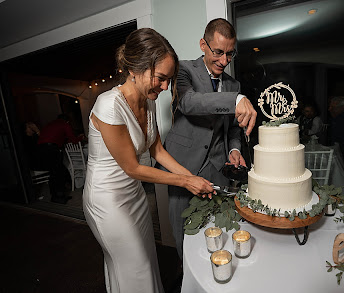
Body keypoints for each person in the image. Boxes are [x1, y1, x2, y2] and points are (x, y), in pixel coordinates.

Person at [83, 28, 215, 292]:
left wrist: (191, 176)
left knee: (145, 262)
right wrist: (184, 182)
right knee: (136, 267)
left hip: (134, 197)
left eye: (169, 79)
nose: (165, 87)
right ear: (136, 68)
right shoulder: (108, 105)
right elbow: (132, 167)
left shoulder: (149, 102)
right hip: (107, 201)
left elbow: (157, 152)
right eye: (161, 78)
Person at [161, 18, 257, 260]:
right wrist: (234, 100)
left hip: (218, 170)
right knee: (184, 234)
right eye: (218, 52)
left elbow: (233, 129)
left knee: (216, 234)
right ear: (203, 44)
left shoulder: (233, 83)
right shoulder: (183, 70)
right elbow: (189, 103)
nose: (224, 61)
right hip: (182, 167)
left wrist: (234, 150)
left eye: (230, 54)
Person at [37, 114, 82, 203]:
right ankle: (59, 197)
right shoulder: (65, 124)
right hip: (52, 148)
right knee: (58, 173)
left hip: (41, 149)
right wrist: (80, 137)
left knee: (53, 172)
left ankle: (55, 195)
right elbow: (73, 140)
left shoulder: (50, 124)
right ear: (67, 121)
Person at [328, 95, 344, 166]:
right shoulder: (338, 119)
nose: (329, 109)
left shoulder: (343, 121)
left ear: (341, 108)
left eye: (333, 107)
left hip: (343, 156)